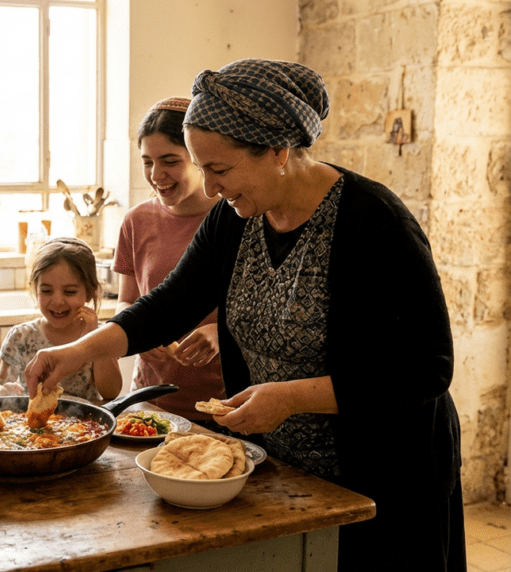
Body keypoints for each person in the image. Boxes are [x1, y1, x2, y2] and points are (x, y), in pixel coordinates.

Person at [25, 59, 464, 572]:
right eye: (202, 167)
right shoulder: (234, 221)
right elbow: (168, 305)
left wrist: (292, 397)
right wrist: (75, 350)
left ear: (278, 151)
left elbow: (426, 367)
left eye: (220, 169)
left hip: (383, 477)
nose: (209, 188)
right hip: (286, 474)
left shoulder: (374, 223)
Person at [113, 97, 225, 421]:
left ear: (199, 159)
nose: (156, 174)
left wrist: (219, 333)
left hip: (222, 407)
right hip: (150, 405)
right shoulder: (136, 220)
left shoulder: (235, 218)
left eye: (170, 161)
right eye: (148, 162)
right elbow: (126, 301)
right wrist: (138, 335)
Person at [0, 237, 122, 402]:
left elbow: (111, 392)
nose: (57, 301)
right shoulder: (20, 337)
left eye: (69, 292)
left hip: (84, 425)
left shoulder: (101, 335)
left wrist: (94, 338)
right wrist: (3, 391)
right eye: (47, 291)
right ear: (35, 290)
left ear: (90, 292)